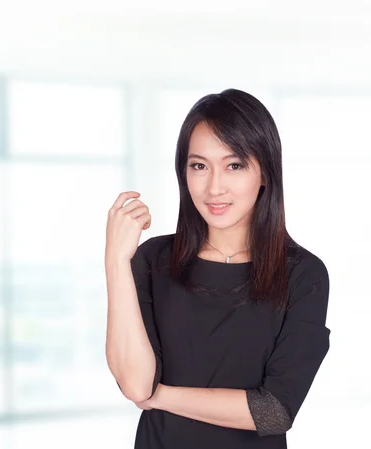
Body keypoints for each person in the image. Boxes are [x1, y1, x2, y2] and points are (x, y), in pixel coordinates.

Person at [104, 88, 331, 449]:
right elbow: (134, 384)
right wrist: (115, 260)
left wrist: (160, 397)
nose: (214, 187)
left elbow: (273, 412)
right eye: (199, 166)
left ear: (264, 174)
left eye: (234, 165)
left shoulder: (303, 275)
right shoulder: (152, 260)